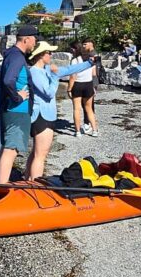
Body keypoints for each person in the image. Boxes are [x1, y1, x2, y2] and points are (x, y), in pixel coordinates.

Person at [26, 41, 95, 180]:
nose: (51, 55)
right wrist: (55, 76)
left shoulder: (45, 69)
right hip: (41, 116)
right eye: (48, 53)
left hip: (46, 115)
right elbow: (49, 92)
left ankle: (28, 179)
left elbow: (68, 70)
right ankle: (36, 186)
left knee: (36, 153)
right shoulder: (35, 72)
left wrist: (89, 63)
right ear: (40, 55)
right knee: (41, 155)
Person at [0, 25, 39, 183]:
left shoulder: (13, 55)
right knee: (11, 149)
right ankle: (2, 188)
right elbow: (8, 80)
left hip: (12, 109)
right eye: (34, 39)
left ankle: (0, 184)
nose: (35, 43)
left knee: (7, 147)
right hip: (17, 110)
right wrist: (18, 97)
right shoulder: (17, 57)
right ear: (26, 39)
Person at [68, 40, 99, 137]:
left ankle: (77, 131)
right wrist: (94, 86)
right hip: (88, 84)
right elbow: (94, 73)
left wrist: (69, 89)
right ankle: (94, 130)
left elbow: (73, 76)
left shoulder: (75, 61)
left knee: (77, 109)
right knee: (89, 109)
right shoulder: (90, 60)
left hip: (77, 84)